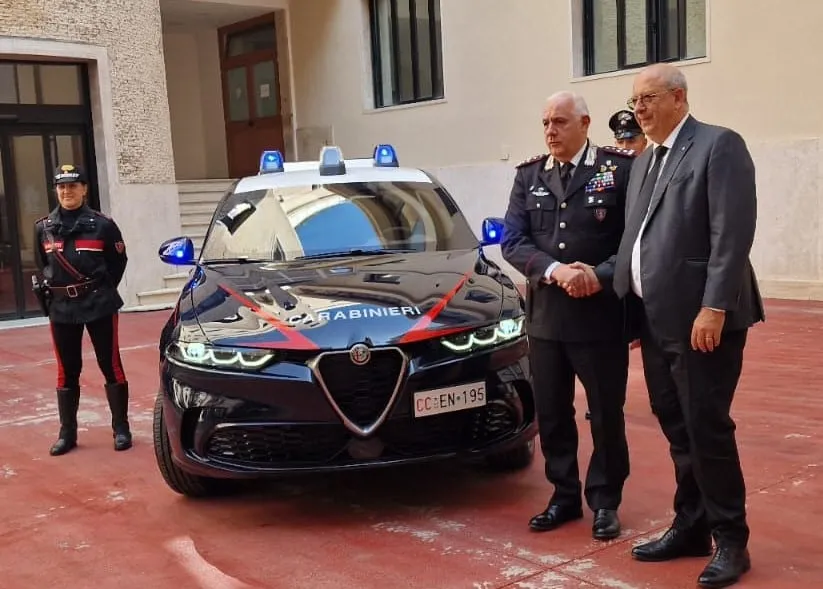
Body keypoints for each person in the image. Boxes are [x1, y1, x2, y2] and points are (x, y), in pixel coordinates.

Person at [611, 64, 764, 588]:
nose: (639, 109)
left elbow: (732, 234)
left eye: (649, 98)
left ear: (679, 97)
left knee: (706, 427)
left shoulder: (718, 146)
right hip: (657, 321)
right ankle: (692, 525)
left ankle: (732, 540)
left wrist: (715, 305)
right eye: (635, 100)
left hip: (704, 322)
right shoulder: (645, 161)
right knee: (677, 425)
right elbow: (636, 240)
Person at [501, 91, 637, 541]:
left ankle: (605, 501)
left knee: (604, 414)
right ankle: (563, 495)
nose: (550, 131)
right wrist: (557, 271)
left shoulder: (618, 168)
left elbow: (634, 240)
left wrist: (598, 275)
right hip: (547, 320)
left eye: (559, 122)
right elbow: (513, 242)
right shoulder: (530, 175)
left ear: (584, 123)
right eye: (545, 123)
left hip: (599, 319)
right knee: (554, 414)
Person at [34, 164, 133, 456]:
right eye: (62, 187)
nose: (67, 192)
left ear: (84, 189)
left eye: (73, 186)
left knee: (110, 364)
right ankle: (68, 433)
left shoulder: (103, 225)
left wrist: (98, 290)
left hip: (99, 303)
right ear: (56, 190)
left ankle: (121, 427)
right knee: (67, 370)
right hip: (62, 307)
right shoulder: (43, 228)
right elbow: (43, 265)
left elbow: (118, 262)